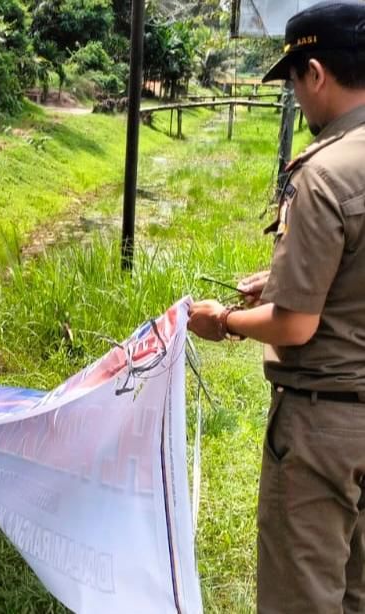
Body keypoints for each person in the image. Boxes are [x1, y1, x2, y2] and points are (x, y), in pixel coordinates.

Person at [188, 2, 365, 611]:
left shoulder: (324, 173)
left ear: (315, 73)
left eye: (294, 78)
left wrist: (224, 323)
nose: (296, 93)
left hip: (325, 425)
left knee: (305, 596)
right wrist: (287, 278)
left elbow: (294, 326)